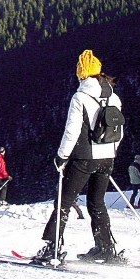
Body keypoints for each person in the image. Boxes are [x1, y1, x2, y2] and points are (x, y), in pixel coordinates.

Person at [32, 50, 124, 265]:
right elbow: (119, 129)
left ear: (81, 73)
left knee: (63, 202)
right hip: (107, 158)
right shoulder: (114, 97)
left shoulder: (80, 97)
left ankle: (52, 249)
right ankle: (105, 248)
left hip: (84, 158)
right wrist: (111, 152)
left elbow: (71, 131)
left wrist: (61, 156)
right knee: (97, 202)